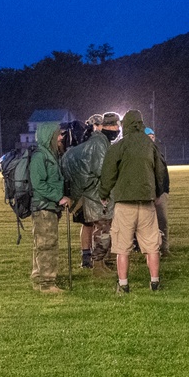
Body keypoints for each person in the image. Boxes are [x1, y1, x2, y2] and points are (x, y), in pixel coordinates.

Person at [99, 110, 168, 292]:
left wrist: (103, 193)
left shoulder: (119, 146)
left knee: (123, 246)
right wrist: (158, 192)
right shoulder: (150, 145)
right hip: (146, 202)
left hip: (124, 203)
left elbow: (108, 173)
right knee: (152, 245)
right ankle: (154, 282)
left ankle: (123, 284)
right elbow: (161, 171)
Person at [63, 112, 119, 271]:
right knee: (101, 228)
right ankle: (96, 263)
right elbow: (102, 171)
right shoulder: (98, 144)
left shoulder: (96, 142)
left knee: (98, 227)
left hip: (87, 192)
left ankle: (95, 259)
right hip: (93, 194)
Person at [29, 121, 71, 293]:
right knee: (47, 244)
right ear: (50, 135)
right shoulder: (40, 156)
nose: (61, 137)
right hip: (44, 207)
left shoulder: (50, 154)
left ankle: (38, 277)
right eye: (59, 134)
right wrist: (59, 197)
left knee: (41, 243)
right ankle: (47, 283)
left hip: (49, 207)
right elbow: (38, 184)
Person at [146, 126, 171, 255]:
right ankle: (151, 249)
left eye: (152, 137)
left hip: (160, 193)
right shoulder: (144, 154)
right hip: (150, 194)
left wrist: (164, 190)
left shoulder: (158, 152)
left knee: (163, 222)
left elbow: (163, 174)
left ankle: (164, 248)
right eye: (149, 137)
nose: (151, 139)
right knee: (148, 223)